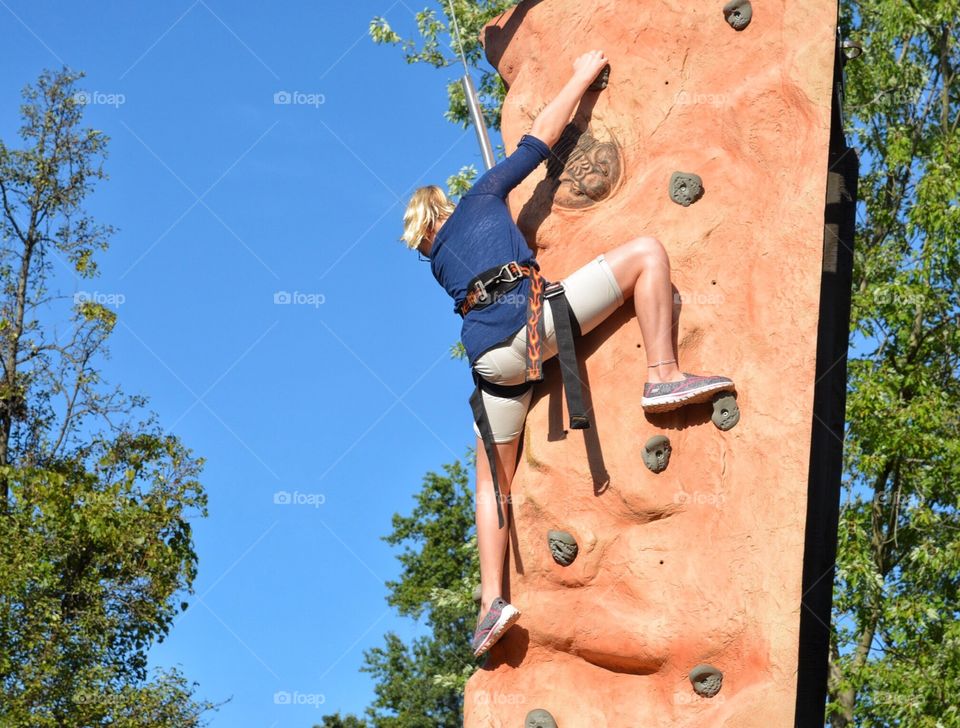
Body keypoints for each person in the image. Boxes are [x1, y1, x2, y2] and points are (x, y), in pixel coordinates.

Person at [400, 50, 735, 658]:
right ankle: (662, 375)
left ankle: (491, 602)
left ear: (424, 236)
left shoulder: (438, 263)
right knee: (648, 253)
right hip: (536, 326)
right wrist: (582, 75)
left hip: (492, 366)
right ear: (444, 206)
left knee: (491, 480)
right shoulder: (478, 197)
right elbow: (539, 142)